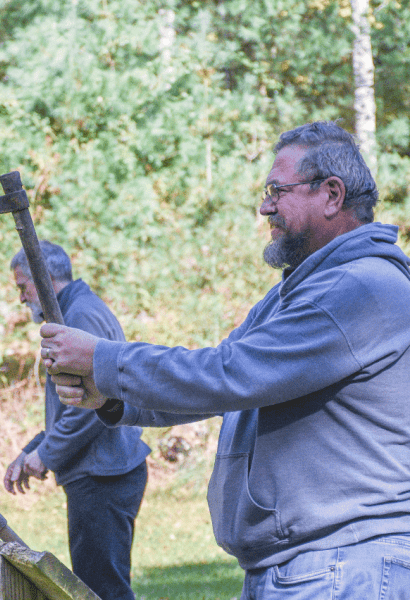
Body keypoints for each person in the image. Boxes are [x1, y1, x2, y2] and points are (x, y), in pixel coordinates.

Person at [39, 122, 410, 599]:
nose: (264, 206)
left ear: (332, 195)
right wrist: (110, 398)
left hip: (342, 565)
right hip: (307, 566)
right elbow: (214, 383)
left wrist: (103, 359)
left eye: (278, 190)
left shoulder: (358, 288)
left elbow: (227, 375)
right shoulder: (297, 294)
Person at [3, 240, 150, 600]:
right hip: (100, 472)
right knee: (96, 585)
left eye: (23, 286)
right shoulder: (71, 312)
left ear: (44, 277)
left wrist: (45, 456)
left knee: (102, 591)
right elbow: (74, 406)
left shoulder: (80, 316)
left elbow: (94, 408)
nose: (21, 298)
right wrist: (32, 449)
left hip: (105, 476)